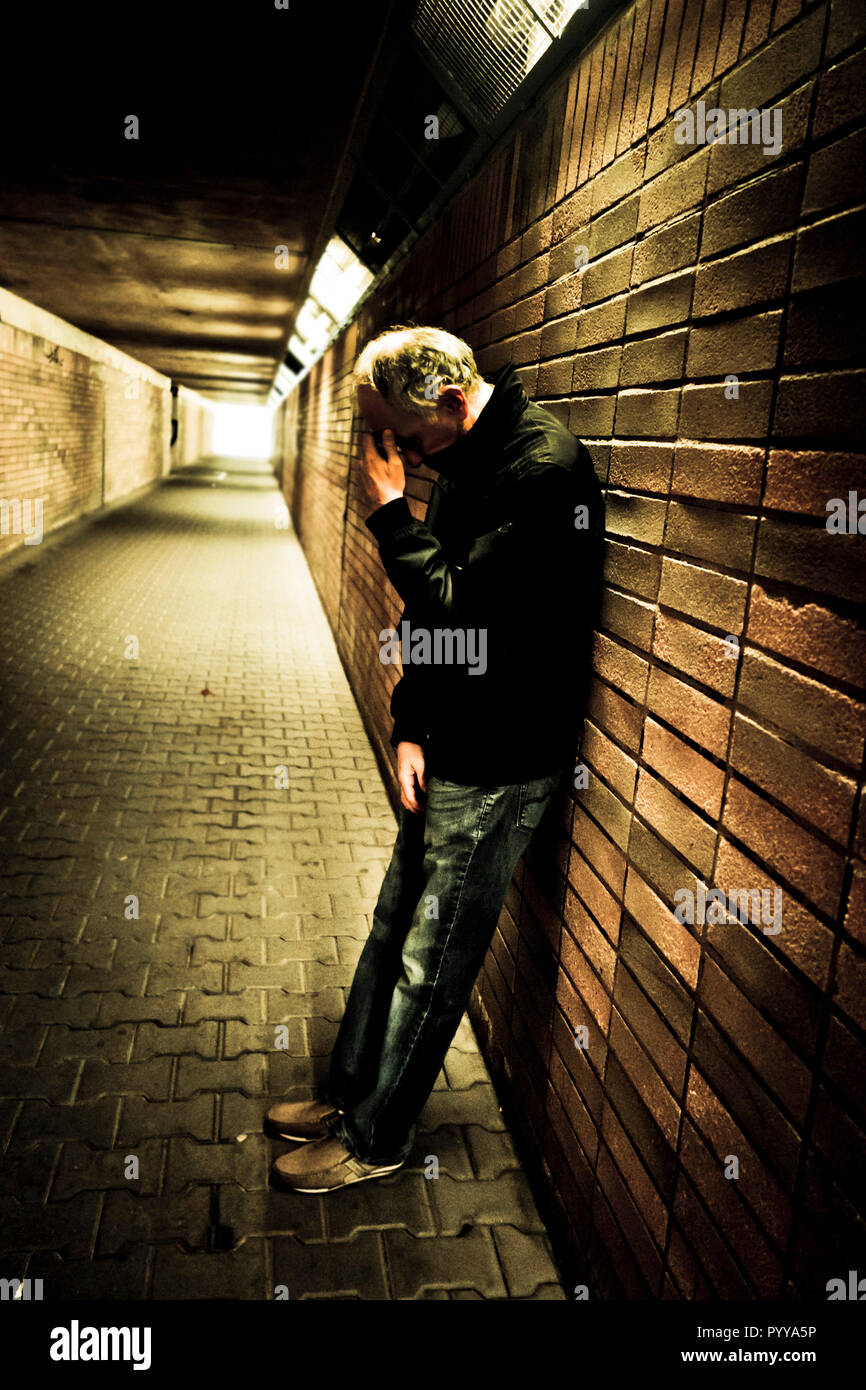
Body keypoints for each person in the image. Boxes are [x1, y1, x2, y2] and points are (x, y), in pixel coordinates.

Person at [266, 324, 604, 1192]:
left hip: (500, 762)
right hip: (451, 740)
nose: (402, 458)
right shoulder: (462, 458)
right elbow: (432, 623)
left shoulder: (541, 474)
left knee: (433, 959)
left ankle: (376, 1139)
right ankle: (348, 1097)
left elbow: (466, 617)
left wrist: (390, 513)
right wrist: (411, 723)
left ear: (451, 402)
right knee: (391, 928)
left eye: (406, 439)